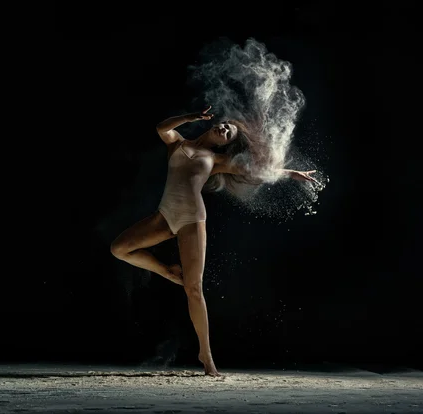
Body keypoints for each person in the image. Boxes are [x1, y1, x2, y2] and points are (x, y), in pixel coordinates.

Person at [110, 105, 317, 376]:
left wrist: (290, 173)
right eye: (225, 126)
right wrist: (189, 116)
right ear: (213, 125)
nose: (225, 129)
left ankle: (206, 355)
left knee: (194, 288)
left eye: (229, 134)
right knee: (119, 248)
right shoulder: (178, 143)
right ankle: (168, 272)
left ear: (226, 144)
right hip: (165, 215)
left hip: (192, 220)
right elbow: (162, 128)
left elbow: (257, 171)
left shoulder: (217, 161)